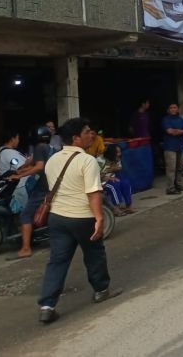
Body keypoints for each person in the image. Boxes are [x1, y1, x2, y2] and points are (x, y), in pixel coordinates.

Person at [37, 117, 121, 324]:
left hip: (57, 217)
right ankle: (101, 290)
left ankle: (47, 305)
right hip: (82, 217)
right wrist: (99, 218)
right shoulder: (87, 161)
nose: (91, 135)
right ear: (75, 138)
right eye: (87, 132)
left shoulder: (53, 160)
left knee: (57, 261)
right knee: (94, 254)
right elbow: (93, 193)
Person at [11, 125, 52, 258]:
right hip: (49, 187)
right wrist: (20, 170)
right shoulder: (49, 147)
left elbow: (39, 166)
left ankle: (26, 248)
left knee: (26, 216)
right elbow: (31, 161)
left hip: (42, 189)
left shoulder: (39, 147)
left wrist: (19, 176)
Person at [99, 143, 135, 216]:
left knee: (125, 183)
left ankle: (128, 206)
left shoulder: (116, 158)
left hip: (113, 177)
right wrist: (108, 176)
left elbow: (119, 167)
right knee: (113, 186)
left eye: (120, 152)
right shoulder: (100, 160)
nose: (119, 154)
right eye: (117, 152)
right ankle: (116, 208)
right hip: (101, 181)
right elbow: (95, 175)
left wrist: (113, 169)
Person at [162, 103, 183, 195]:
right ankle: (170, 188)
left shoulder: (181, 119)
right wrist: (182, 131)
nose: (173, 109)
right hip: (170, 147)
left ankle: (178, 184)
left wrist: (179, 131)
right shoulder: (166, 119)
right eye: (171, 108)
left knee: (179, 168)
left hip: (180, 146)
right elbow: (170, 132)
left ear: (178, 109)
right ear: (168, 110)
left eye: (175, 107)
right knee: (171, 168)